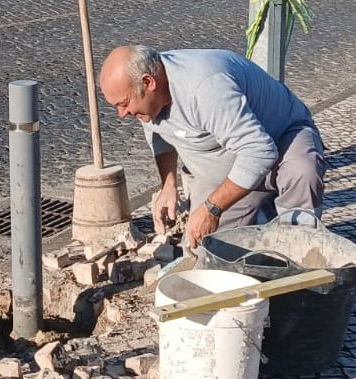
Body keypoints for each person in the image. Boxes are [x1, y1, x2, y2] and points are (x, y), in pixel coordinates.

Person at [99, 45, 327, 249]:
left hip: (281, 137)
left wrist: (212, 209)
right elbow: (159, 134)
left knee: (301, 171)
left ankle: (299, 252)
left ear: (149, 82)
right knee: (203, 251)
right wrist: (168, 185)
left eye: (124, 104)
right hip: (231, 167)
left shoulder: (205, 88)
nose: (122, 114)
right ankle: (261, 219)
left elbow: (259, 151)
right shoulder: (149, 99)